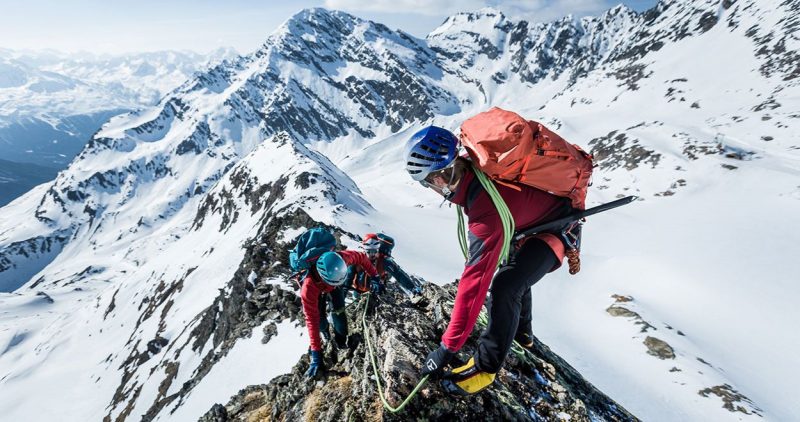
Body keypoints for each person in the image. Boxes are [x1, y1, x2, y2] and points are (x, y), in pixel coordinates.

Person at [405, 125, 569, 395]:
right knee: (513, 272)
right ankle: (522, 335)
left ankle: (485, 369)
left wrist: (447, 348)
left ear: (440, 179)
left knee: (505, 287)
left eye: (427, 182)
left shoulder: (486, 212)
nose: (429, 189)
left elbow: (473, 286)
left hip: (555, 232)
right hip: (536, 226)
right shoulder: (476, 168)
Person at [302, 250, 380, 378]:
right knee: (320, 320)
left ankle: (341, 341)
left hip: (334, 280)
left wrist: (375, 276)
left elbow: (361, 257)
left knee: (339, 311)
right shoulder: (308, 289)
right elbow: (311, 320)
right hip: (317, 287)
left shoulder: (342, 258)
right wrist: (316, 354)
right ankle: (326, 334)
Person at [352, 233, 422, 298]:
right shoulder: (362, 258)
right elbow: (398, 274)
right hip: (359, 292)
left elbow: (398, 275)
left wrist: (412, 288)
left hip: (371, 293)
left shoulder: (384, 261)